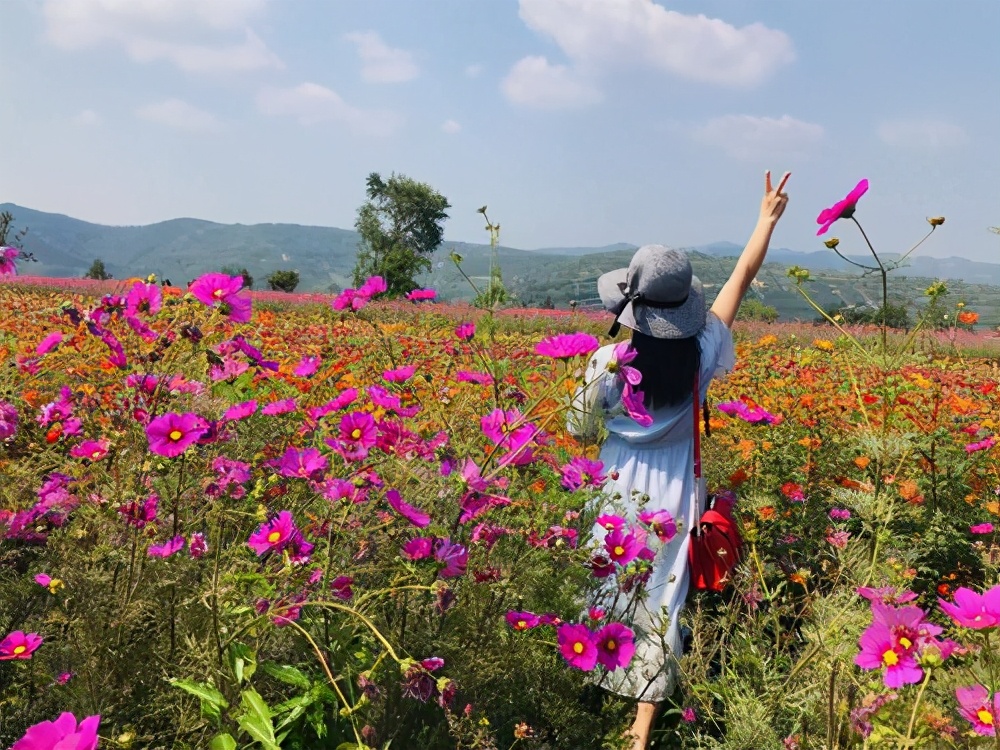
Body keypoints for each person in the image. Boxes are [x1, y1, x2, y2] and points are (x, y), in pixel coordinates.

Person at [567, 171, 790, 750]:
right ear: (683, 307)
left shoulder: (607, 363)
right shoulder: (704, 349)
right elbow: (739, 280)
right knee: (664, 598)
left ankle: (590, 684)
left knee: (605, 581)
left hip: (615, 485)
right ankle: (641, 730)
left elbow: (577, 429)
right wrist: (765, 221)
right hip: (675, 492)